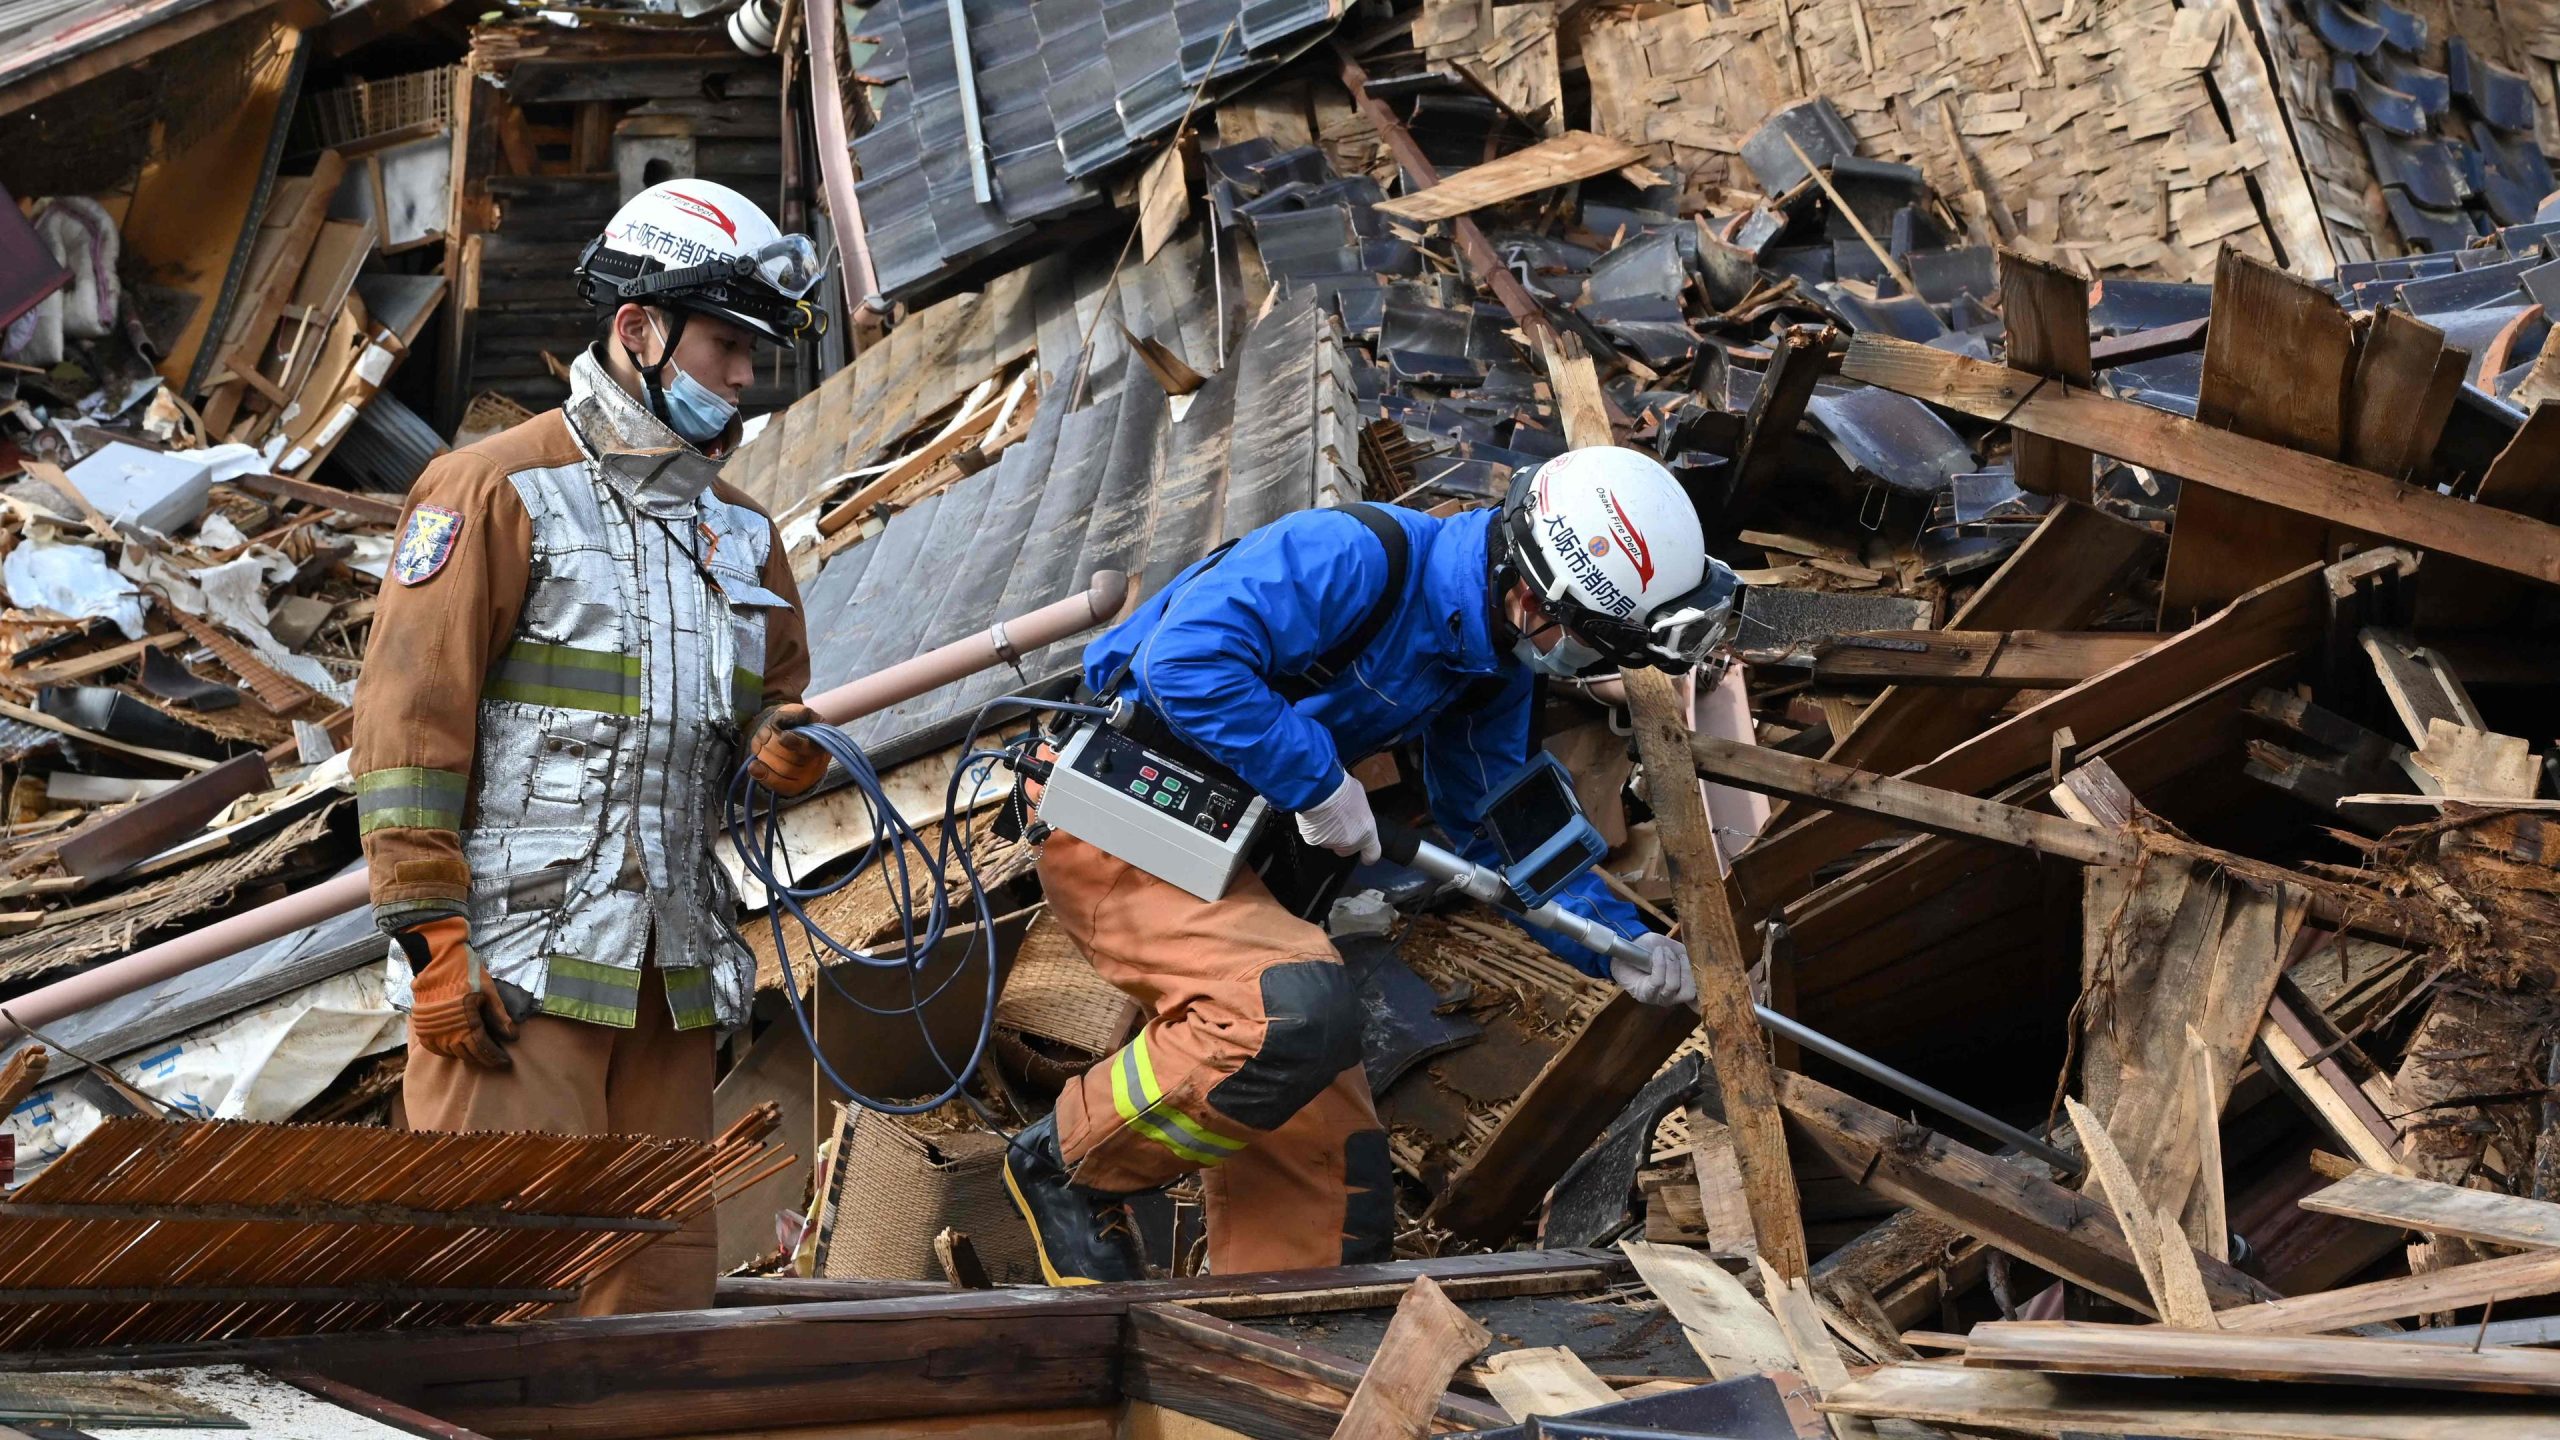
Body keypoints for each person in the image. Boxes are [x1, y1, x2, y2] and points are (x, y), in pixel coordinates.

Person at [1005, 445, 1742, 1283]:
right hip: (1128, 815)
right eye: (1581, 641)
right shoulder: (1351, 556)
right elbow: (1185, 663)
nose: (1575, 663)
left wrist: (1614, 945)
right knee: (1291, 1014)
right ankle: (1064, 1163)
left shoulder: (1489, 663)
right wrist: (1318, 782)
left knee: (1340, 1196)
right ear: (1529, 588)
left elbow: (1496, 831)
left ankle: (1262, 1350)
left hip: (1239, 855)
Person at [351, 179, 835, 1315]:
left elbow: (767, 704)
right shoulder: (493, 489)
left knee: (655, 1318)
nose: (744, 379)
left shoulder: (745, 536)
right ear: (638, 330)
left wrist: (775, 747)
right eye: (726, 346)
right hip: (513, 989)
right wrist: (433, 944)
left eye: (753, 355)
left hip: (668, 985)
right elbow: (409, 732)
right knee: (500, 1316)